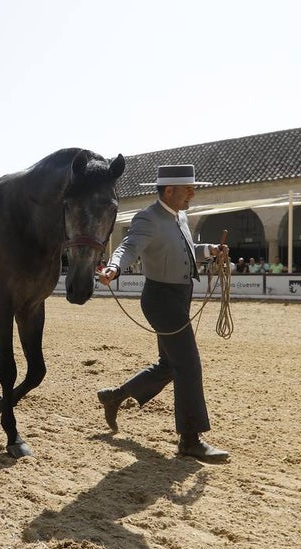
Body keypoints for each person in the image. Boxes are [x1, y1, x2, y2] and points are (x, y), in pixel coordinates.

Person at [95, 164, 230, 462]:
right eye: (188, 188)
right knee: (189, 366)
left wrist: (208, 250)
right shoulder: (147, 218)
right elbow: (128, 247)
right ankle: (190, 439)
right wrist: (114, 267)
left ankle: (114, 396)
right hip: (161, 300)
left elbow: (184, 250)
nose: (193, 193)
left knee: (170, 365)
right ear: (168, 190)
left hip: (180, 298)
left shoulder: (180, 216)